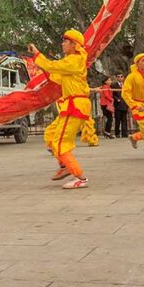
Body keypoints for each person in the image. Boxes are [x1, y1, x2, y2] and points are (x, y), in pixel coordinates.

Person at [29, 29, 92, 189]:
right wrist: (43, 67)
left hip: (75, 105)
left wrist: (37, 54)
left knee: (60, 142)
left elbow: (52, 66)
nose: (62, 44)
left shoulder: (75, 59)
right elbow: (55, 75)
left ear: (74, 44)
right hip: (71, 105)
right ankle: (64, 166)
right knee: (50, 134)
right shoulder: (70, 62)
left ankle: (80, 178)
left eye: (65, 41)